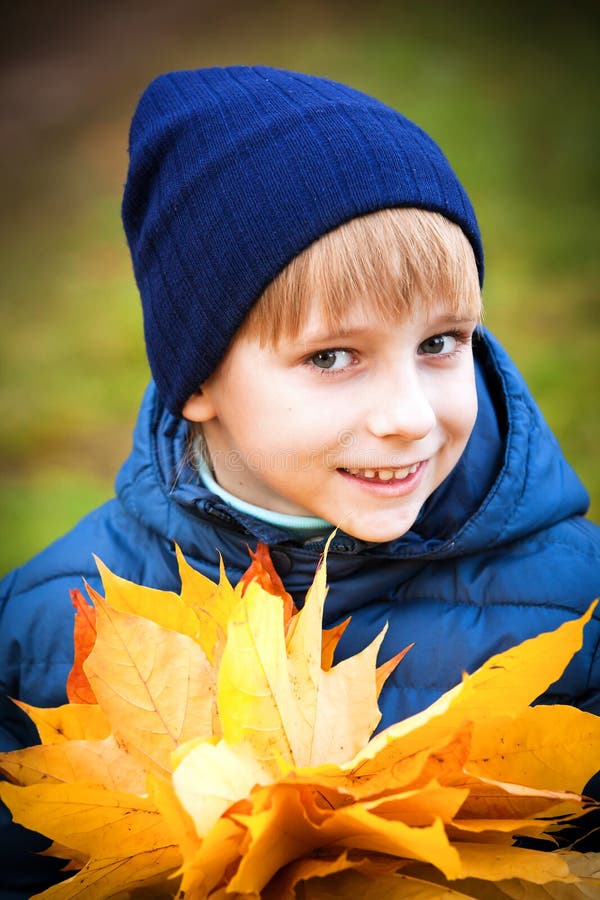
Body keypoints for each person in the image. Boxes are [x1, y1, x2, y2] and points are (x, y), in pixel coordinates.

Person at [1, 65, 599, 897]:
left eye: (440, 343)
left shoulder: (575, 606)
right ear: (198, 380)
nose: (409, 417)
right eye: (332, 356)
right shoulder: (49, 624)